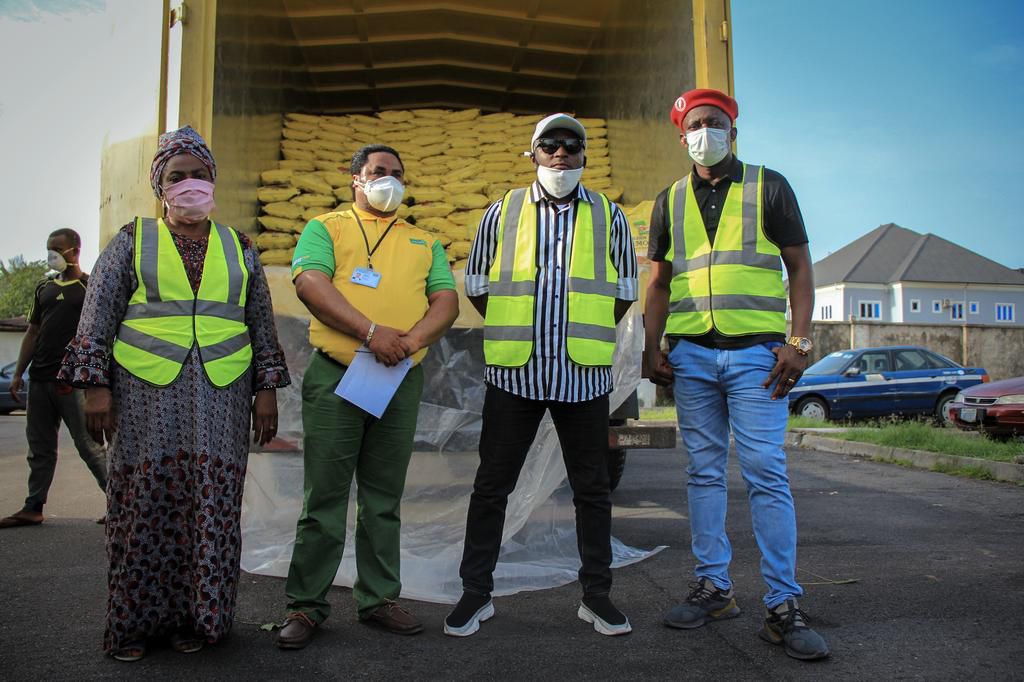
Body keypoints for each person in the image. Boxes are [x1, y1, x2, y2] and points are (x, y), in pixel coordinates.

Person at [58, 126, 290, 661]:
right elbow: (97, 319)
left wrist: (267, 392)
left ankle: (198, 620)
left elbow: (260, 323)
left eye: (198, 174)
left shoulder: (240, 247)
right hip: (144, 394)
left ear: (214, 180)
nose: (190, 184)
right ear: (159, 187)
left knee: (212, 505)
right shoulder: (131, 240)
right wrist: (95, 390)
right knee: (144, 505)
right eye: (176, 176)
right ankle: (134, 627)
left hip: (222, 396)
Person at [643, 89, 828, 660]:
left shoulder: (769, 186)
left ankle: (782, 604)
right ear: (683, 136)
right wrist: (652, 348)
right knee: (702, 474)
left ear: (733, 130)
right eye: (696, 124)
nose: (706, 131)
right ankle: (715, 588)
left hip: (758, 358)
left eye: (716, 122)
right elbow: (658, 282)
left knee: (766, 474)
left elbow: (799, 269)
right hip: (693, 357)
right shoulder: (668, 200)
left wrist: (798, 344)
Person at [445, 114, 638, 638]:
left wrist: (576, 333)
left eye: (571, 146)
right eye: (549, 145)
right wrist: (523, 332)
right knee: (491, 487)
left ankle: (597, 597)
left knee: (592, 490)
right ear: (533, 154)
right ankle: (475, 594)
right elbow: (479, 285)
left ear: (583, 158)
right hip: (516, 373)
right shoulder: (501, 212)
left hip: (583, 375)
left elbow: (623, 293)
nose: (560, 153)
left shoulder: (610, 217)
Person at [276, 144, 459, 650]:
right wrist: (371, 331)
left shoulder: (423, 241)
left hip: (398, 378)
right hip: (338, 374)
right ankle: (306, 606)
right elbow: (310, 283)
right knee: (324, 498)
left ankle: (378, 598)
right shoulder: (326, 227)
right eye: (379, 172)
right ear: (355, 177)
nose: (390, 181)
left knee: (383, 497)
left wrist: (411, 341)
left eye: (398, 174)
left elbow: (446, 299)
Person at [0, 229, 107, 529]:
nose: (52, 255)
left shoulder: (89, 287)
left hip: (72, 381)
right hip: (40, 378)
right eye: (49, 249)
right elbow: (33, 332)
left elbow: (99, 334)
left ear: (75, 251)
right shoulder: (43, 289)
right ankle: (33, 507)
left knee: (89, 446)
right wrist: (19, 373)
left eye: (57, 249)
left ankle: (119, 505)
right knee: (39, 447)